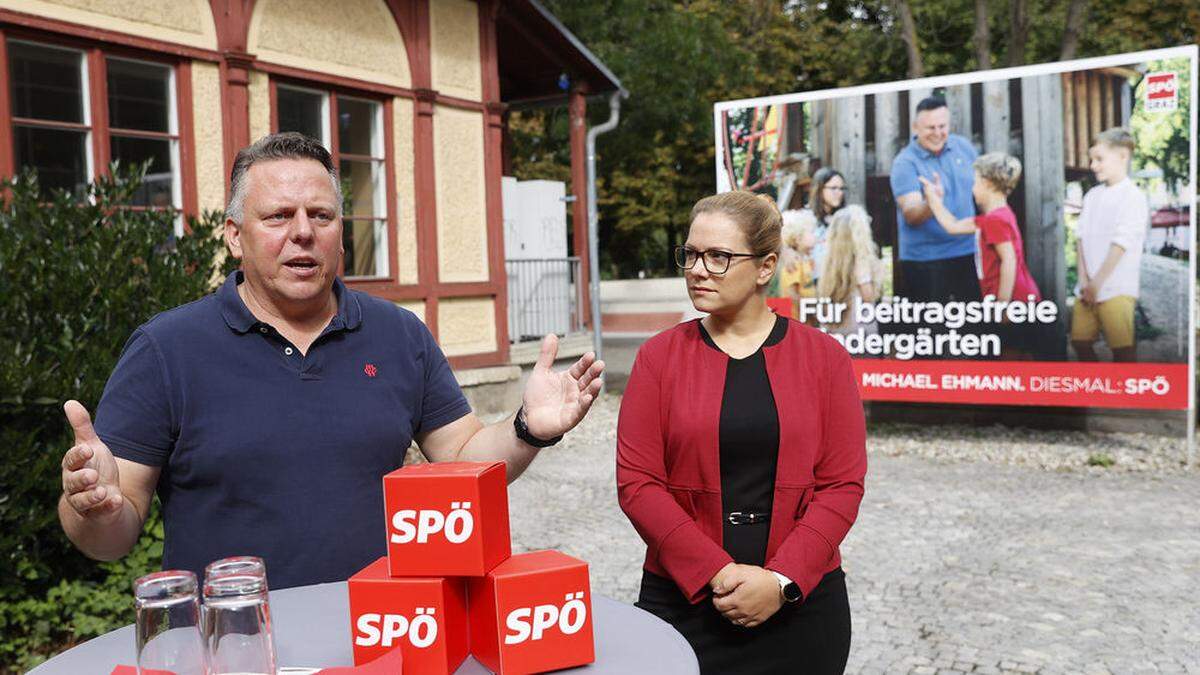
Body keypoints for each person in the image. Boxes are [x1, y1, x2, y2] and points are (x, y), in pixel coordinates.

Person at [57, 133, 605, 589]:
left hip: (382, 634)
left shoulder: (398, 334)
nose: (302, 232)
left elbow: (460, 458)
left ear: (340, 235)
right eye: (277, 216)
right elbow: (112, 536)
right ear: (233, 236)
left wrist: (527, 429)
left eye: (321, 215)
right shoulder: (167, 349)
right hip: (237, 647)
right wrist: (92, 507)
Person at [617, 190, 867, 674]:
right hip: (683, 606)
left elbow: (842, 485)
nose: (696, 269)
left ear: (765, 266)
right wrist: (717, 572)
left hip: (801, 609)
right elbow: (638, 485)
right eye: (690, 254)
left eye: (718, 256)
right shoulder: (658, 359)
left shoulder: (825, 359)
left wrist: (782, 581)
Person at [920, 152, 1047, 358]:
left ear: (987, 183)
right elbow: (952, 226)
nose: (972, 189)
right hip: (1014, 300)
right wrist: (933, 199)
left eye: (975, 183)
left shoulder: (995, 220)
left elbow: (1009, 260)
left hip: (1014, 300)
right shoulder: (992, 218)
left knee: (1012, 359)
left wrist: (1003, 305)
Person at [889, 96, 980, 303]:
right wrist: (932, 203)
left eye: (943, 126)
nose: (938, 133)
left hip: (968, 252)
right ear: (915, 127)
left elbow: (983, 192)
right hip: (925, 261)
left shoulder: (964, 147)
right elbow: (911, 214)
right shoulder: (904, 163)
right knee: (932, 332)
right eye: (930, 128)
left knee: (974, 329)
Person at [1070, 128, 1149, 362]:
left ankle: (1125, 396)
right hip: (1087, 288)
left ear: (1123, 156)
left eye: (1099, 159)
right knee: (1080, 341)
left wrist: (1097, 283)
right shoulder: (1092, 195)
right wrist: (1085, 282)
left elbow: (1121, 244)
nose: (1093, 165)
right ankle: (1098, 390)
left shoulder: (1133, 196)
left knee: (1122, 348)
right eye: (1092, 159)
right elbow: (1081, 239)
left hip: (1116, 287)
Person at [817, 205, 885, 336]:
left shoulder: (827, 260)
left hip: (834, 328)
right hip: (859, 330)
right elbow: (868, 297)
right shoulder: (861, 261)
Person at [804, 167, 847, 284]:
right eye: (833, 188)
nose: (839, 193)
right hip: (811, 282)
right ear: (820, 189)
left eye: (841, 188)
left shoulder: (844, 220)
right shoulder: (805, 218)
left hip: (838, 281)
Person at [779, 209, 818, 316]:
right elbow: (792, 294)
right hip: (797, 319)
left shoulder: (804, 261)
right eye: (811, 232)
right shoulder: (794, 263)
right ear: (797, 238)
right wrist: (810, 312)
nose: (815, 236)